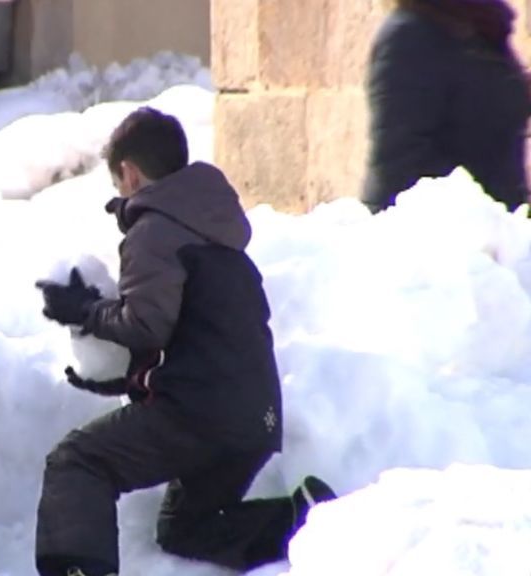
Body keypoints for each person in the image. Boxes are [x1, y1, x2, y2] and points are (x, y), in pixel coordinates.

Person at [34, 107, 334, 576]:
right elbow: (194, 338)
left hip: (201, 414)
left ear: (129, 174)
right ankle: (311, 520)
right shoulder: (213, 229)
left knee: (78, 461)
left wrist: (85, 311)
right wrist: (115, 382)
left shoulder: (154, 230)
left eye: (118, 184)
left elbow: (146, 326)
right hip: (253, 418)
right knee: (185, 529)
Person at [363, 0, 531, 212]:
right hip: (440, 232)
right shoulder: (409, 35)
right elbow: (399, 161)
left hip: (496, 226)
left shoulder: (482, 26)